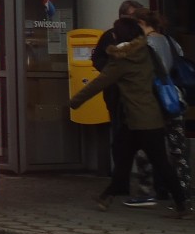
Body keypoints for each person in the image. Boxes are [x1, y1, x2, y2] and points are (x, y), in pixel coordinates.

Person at [69, 18, 191, 218]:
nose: (113, 35)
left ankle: (181, 205)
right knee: (123, 156)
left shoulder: (122, 59)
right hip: (144, 117)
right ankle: (107, 196)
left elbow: (99, 82)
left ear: (120, 35)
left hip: (141, 121)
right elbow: (161, 76)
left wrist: (74, 102)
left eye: (115, 32)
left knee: (158, 161)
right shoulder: (147, 51)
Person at [126, 9, 192, 208]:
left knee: (146, 147)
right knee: (178, 149)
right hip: (174, 100)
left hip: (154, 101)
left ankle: (147, 191)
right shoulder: (172, 42)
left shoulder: (145, 45)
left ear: (141, 23)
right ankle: (182, 192)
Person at [91, 0, 142, 180]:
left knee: (143, 137)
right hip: (116, 93)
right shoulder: (110, 36)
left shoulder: (143, 37)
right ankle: (121, 179)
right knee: (120, 134)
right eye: (133, 16)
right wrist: (112, 72)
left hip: (139, 95)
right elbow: (97, 59)